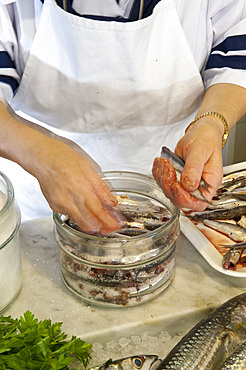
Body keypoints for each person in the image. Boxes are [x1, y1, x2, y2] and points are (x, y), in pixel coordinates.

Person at [0, 0, 245, 235]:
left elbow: (236, 53)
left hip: (171, 198)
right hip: (38, 210)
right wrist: (42, 157)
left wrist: (211, 123)